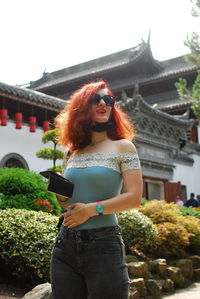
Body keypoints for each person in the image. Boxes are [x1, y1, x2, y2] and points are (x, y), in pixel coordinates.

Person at [50, 79, 143, 299]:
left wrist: (91, 210)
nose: (103, 103)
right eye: (95, 99)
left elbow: (134, 198)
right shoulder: (72, 152)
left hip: (104, 245)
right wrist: (61, 196)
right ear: (82, 108)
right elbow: (68, 204)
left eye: (108, 99)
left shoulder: (123, 147)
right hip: (65, 244)